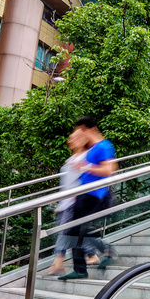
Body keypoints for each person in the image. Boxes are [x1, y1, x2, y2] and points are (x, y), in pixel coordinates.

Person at [58, 116, 119, 281]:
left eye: (80, 132)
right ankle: (102, 255)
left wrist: (84, 166)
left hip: (93, 195)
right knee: (77, 231)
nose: (78, 136)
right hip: (84, 195)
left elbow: (109, 169)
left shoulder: (104, 146)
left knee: (75, 231)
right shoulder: (92, 149)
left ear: (89, 129)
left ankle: (84, 267)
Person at [46, 133, 102, 276]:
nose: (70, 140)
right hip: (65, 203)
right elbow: (65, 185)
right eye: (70, 138)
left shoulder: (86, 158)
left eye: (75, 138)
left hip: (75, 202)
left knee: (66, 233)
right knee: (69, 234)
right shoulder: (70, 159)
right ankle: (91, 254)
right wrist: (60, 203)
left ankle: (59, 262)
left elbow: (86, 180)